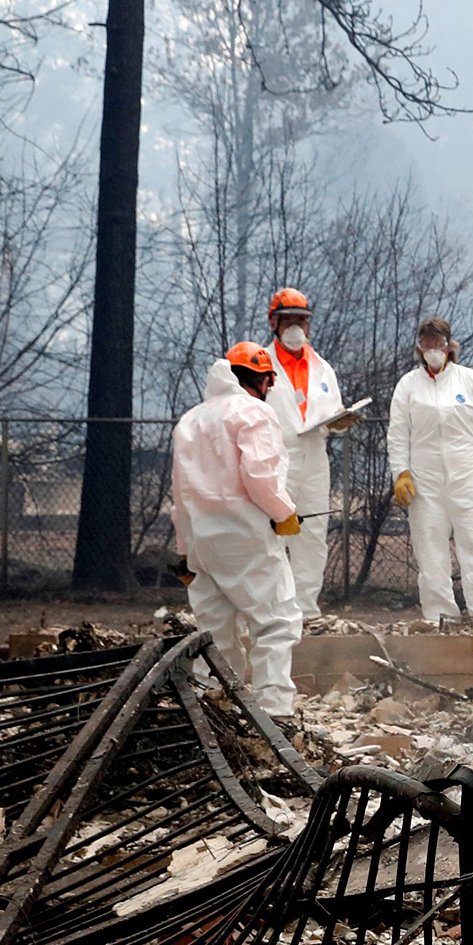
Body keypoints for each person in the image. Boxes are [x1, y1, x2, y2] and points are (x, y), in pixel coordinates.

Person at [171, 343, 305, 718]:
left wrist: (184, 548)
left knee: (214, 632)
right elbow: (260, 475)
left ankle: (212, 710)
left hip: (202, 542)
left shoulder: (190, 421)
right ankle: (274, 711)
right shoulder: (253, 412)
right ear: (262, 379)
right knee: (275, 622)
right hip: (246, 536)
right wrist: (284, 513)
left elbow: (180, 493)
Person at [387, 317, 473, 625]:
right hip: (425, 485)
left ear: (449, 345)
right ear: (419, 347)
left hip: (469, 480)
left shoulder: (470, 381)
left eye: (438, 343)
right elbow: (398, 434)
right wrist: (400, 472)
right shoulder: (408, 386)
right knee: (430, 556)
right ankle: (440, 620)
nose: (433, 350)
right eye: (427, 344)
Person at [263, 287, 362, 619]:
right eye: (287, 320)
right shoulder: (262, 364)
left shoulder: (323, 369)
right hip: (276, 456)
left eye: (300, 321)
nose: (294, 328)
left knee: (313, 535)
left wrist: (341, 421)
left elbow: (332, 411)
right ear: (274, 323)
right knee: (272, 532)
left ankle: (305, 607)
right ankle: (273, 606)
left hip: (315, 456)